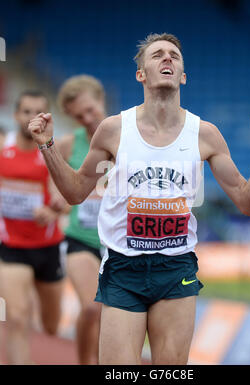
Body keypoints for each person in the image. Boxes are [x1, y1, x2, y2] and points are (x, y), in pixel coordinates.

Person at [28, 33, 250, 365]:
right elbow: (75, 193)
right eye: (157, 55)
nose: (167, 59)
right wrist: (46, 145)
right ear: (140, 74)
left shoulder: (205, 134)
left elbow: (249, 204)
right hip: (123, 267)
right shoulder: (114, 129)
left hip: (176, 269)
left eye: (174, 55)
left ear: (183, 75)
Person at [0, 90, 65, 365]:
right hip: (11, 247)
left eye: (38, 112)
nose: (31, 118)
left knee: (51, 326)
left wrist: (53, 210)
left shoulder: (52, 149)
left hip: (48, 247)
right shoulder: (3, 147)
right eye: (26, 111)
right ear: (16, 115)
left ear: (46, 117)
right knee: (16, 317)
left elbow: (67, 196)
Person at [56, 75, 106, 364]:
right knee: (91, 308)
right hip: (80, 239)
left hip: (121, 244)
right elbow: (54, 187)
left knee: (114, 316)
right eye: (79, 116)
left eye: (91, 110)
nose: (87, 119)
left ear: (101, 100)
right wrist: (57, 203)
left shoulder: (129, 138)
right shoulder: (66, 145)